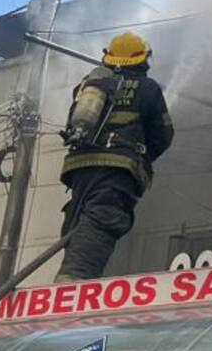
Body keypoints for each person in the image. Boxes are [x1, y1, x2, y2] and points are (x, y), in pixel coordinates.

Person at [53, 31, 174, 281]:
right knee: (104, 217)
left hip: (79, 167)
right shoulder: (148, 88)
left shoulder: (87, 86)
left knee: (80, 219)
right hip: (118, 169)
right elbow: (163, 135)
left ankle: (69, 275)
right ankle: (74, 280)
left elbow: (73, 122)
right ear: (143, 59)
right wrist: (140, 157)